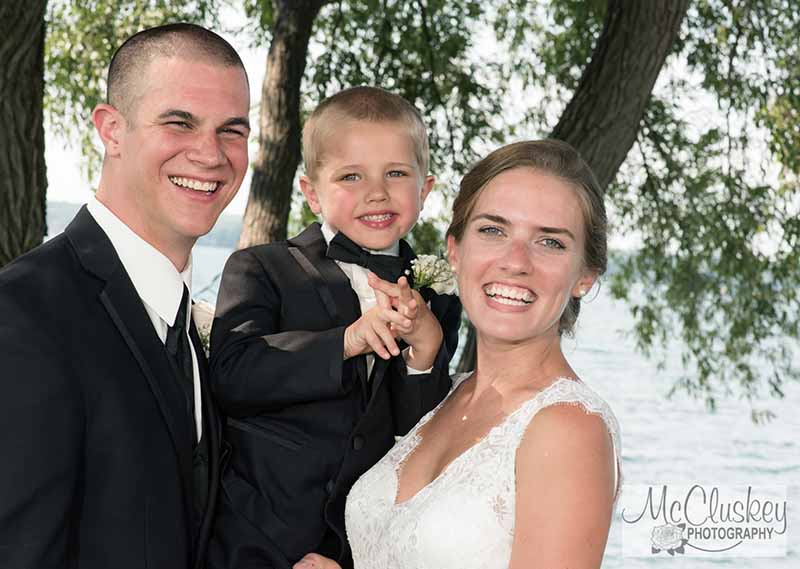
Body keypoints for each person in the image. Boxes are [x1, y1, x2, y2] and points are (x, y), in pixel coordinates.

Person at [295, 139, 621, 569]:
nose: (515, 261)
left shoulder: (568, 429)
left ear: (584, 276)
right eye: (493, 230)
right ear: (455, 250)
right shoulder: (449, 393)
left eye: (550, 243)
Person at [0, 23, 251, 569]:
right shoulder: (24, 313)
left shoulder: (191, 329)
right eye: (179, 122)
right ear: (111, 130)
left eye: (232, 130)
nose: (211, 154)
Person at [207, 86, 461, 569]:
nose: (377, 192)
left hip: (355, 550)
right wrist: (347, 341)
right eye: (351, 176)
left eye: (396, 173)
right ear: (311, 193)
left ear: (424, 190)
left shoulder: (438, 298)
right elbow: (231, 376)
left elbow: (419, 439)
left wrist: (425, 350)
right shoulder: (262, 268)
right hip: (253, 540)